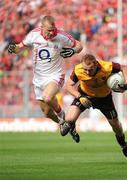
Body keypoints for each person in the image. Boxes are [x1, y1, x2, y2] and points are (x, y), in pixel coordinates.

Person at [8, 15, 83, 143]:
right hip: (38, 79)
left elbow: (79, 45)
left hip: (55, 75)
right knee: (47, 112)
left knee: (48, 97)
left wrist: (72, 51)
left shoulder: (62, 36)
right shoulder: (33, 35)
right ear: (41, 28)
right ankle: (65, 123)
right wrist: (13, 49)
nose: (51, 32)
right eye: (48, 30)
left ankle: (62, 118)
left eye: (53, 29)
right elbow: (19, 48)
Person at [61, 53, 127, 158]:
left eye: (90, 69)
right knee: (69, 119)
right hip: (84, 95)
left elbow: (124, 67)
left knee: (116, 125)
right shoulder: (78, 70)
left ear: (95, 65)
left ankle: (123, 144)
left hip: (104, 99)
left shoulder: (106, 66)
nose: (87, 72)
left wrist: (126, 83)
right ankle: (72, 127)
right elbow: (68, 85)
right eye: (85, 69)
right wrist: (80, 97)